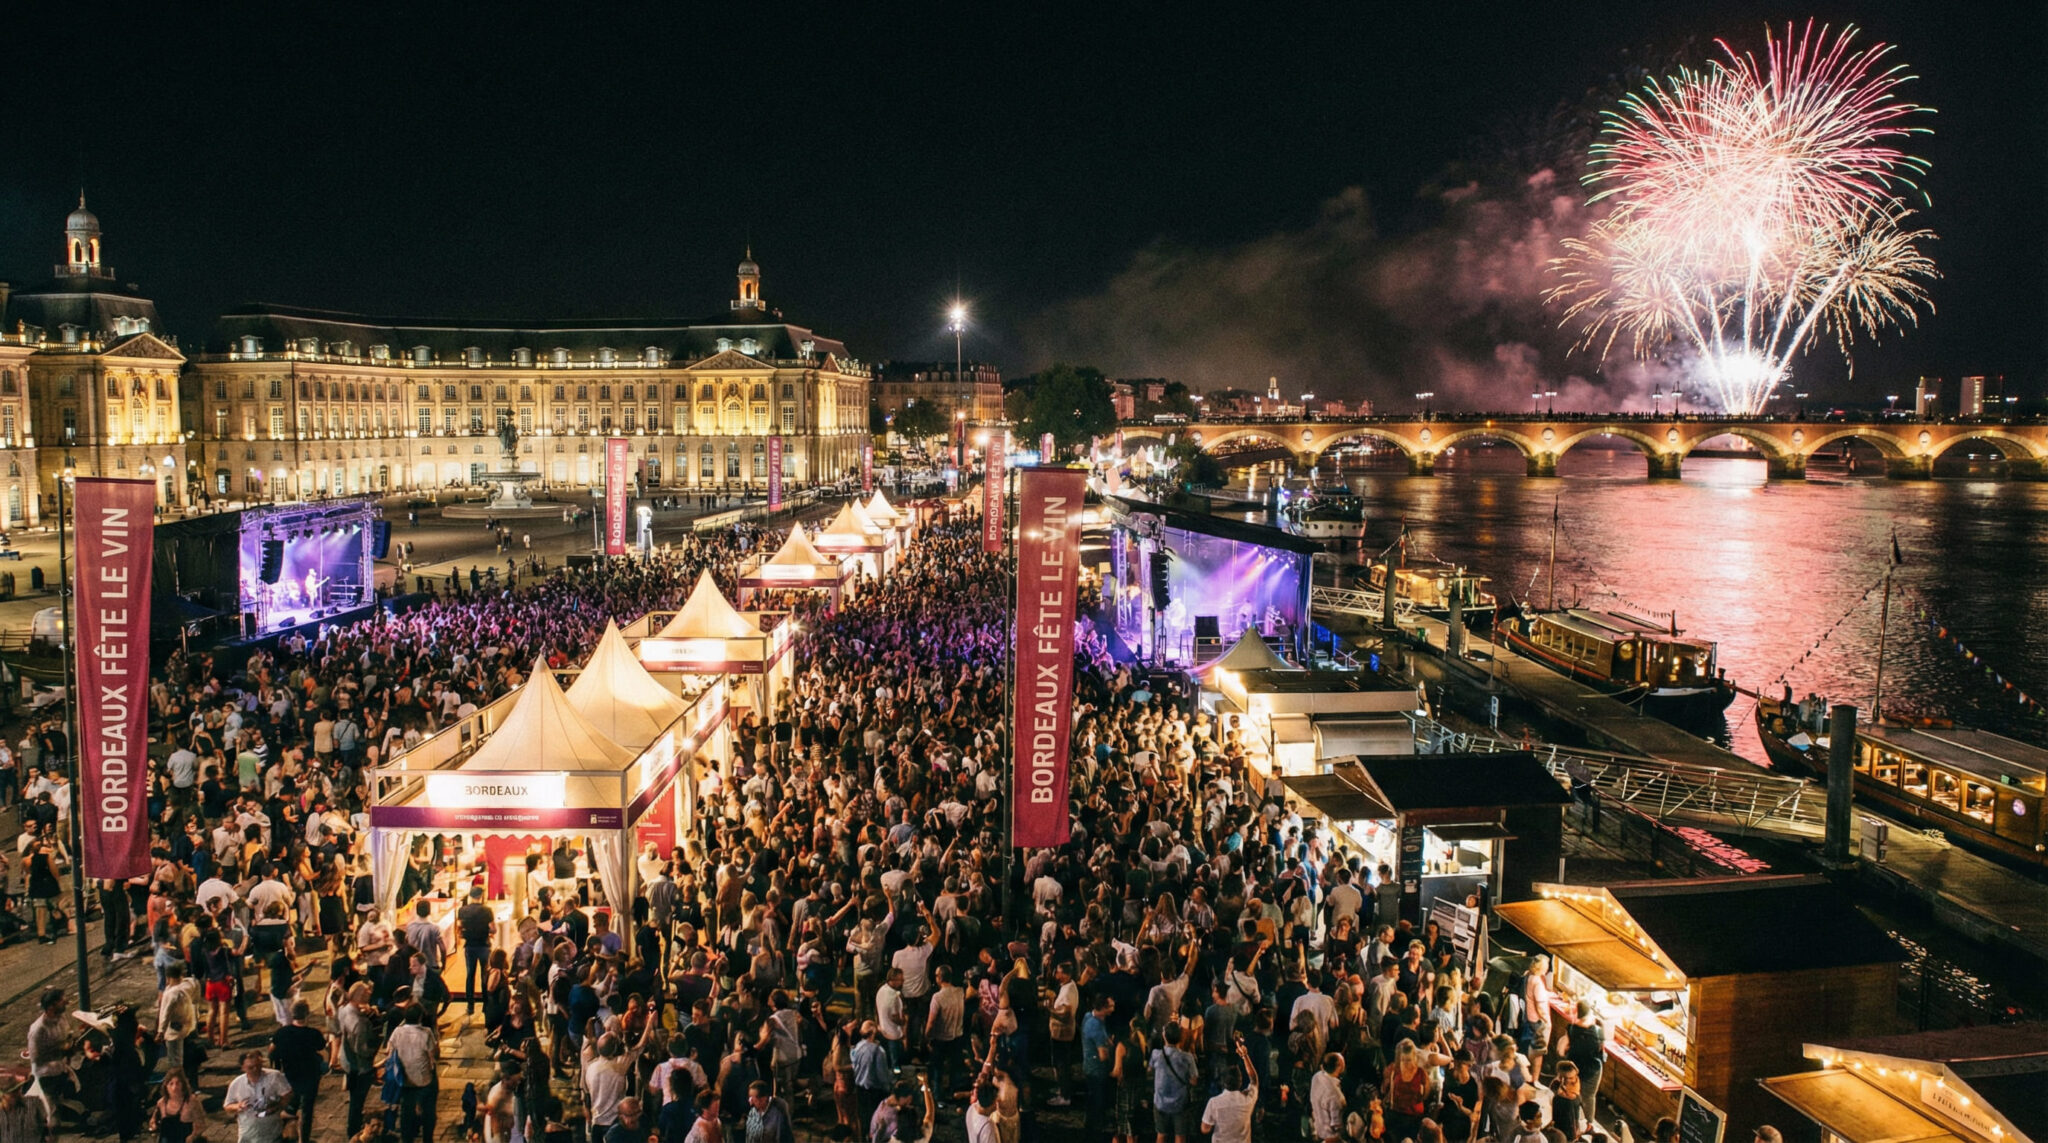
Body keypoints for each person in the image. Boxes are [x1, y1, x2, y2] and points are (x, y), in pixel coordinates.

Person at [269, 1000, 327, 1142]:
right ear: (307, 1015)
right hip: (310, 1077)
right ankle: (304, 1139)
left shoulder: (282, 1033)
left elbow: (272, 1052)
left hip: (290, 1076)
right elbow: (323, 1051)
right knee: (307, 1110)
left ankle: (282, 1133)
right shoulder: (313, 1034)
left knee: (290, 1104)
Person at [388, 1005, 440, 1143]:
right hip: (424, 1079)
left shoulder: (397, 1032)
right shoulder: (426, 1032)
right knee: (429, 1112)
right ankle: (427, 1138)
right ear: (420, 1018)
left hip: (405, 1079)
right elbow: (434, 1053)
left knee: (406, 1112)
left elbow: (389, 1050)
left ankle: (407, 1139)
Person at [26, 988, 74, 1128]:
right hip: (47, 1074)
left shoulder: (61, 1018)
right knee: (53, 1115)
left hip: (61, 1068)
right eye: (61, 1000)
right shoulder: (38, 1029)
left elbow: (67, 1035)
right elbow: (35, 1057)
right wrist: (60, 1050)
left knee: (60, 1103)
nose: (65, 1001)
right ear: (51, 1006)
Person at [222, 1050, 295, 1143]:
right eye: (251, 1067)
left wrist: (277, 1106)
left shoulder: (274, 1076)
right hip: (248, 1133)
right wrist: (238, 1106)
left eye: (258, 1065)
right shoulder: (237, 1084)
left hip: (272, 1132)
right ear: (243, 1068)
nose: (256, 1069)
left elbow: (288, 1094)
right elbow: (227, 1106)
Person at [1197, 1038, 1257, 1143]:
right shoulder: (1248, 1100)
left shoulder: (1214, 1103)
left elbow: (1205, 1129)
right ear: (1240, 1082)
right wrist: (1245, 1056)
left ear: (1223, 1082)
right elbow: (1254, 1080)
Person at [1150, 1020, 1200, 1143]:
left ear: (1164, 1036)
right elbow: (1194, 1081)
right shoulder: (1187, 1057)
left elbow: (1149, 1070)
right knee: (1180, 1136)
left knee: (1161, 1135)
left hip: (1160, 1102)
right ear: (1180, 1037)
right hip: (1180, 1103)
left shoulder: (1156, 1054)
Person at [1564, 999, 1609, 1125]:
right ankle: (1589, 1124)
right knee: (1589, 1097)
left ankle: (1574, 1120)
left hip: (1575, 1066)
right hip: (1592, 1069)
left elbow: (1563, 1048)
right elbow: (1602, 1049)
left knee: (1575, 1093)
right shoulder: (1598, 1031)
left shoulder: (1571, 1029)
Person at [458, 887, 496, 1014]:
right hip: (484, 945)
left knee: (470, 975)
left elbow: (459, 928)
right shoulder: (487, 910)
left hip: (470, 946)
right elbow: (493, 929)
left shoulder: (462, 910)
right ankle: (486, 1004)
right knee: (484, 975)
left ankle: (470, 1005)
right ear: (481, 896)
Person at [148, 1070, 200, 1143]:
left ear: (183, 1085)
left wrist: (192, 1136)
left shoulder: (191, 1102)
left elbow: (200, 1124)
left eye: (178, 1083)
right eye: (171, 1084)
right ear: (166, 1086)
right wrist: (153, 1125)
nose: (174, 1087)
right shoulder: (161, 1103)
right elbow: (154, 1119)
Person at [1309, 1053, 1346, 1143]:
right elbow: (1336, 1125)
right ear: (1339, 1066)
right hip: (1330, 1137)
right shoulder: (1336, 1096)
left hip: (1316, 1127)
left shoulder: (1316, 1077)